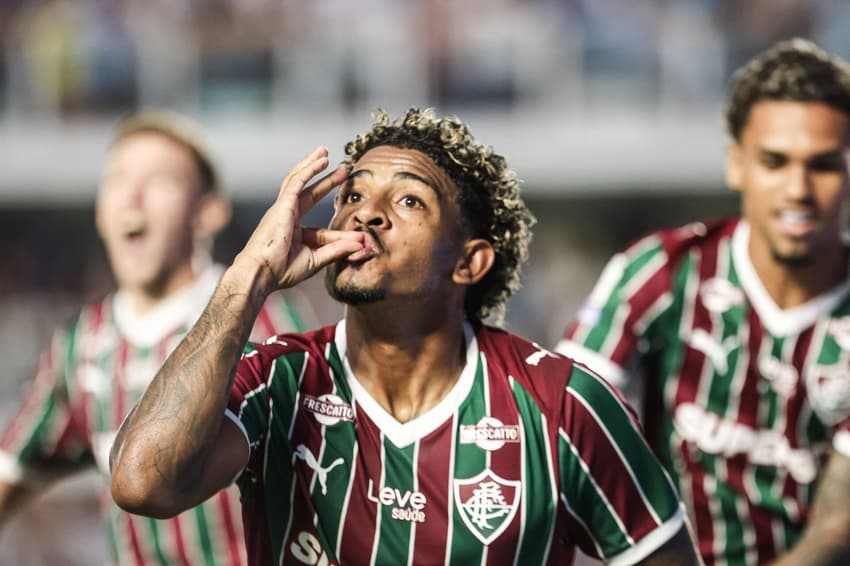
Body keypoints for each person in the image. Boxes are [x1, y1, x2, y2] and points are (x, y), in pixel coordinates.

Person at [109, 107, 700, 565]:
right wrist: (249, 276)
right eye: (354, 195)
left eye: (409, 199)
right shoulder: (279, 379)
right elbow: (142, 484)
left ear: (468, 263)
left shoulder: (562, 406)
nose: (366, 214)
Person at [555, 38, 850, 566]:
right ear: (736, 164)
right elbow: (561, 418)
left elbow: (838, 525)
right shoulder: (662, 272)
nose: (799, 188)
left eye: (823, 164)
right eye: (774, 161)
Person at [0, 110, 315, 564]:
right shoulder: (81, 345)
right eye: (116, 179)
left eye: (160, 180)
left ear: (208, 212)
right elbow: (15, 468)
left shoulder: (268, 319)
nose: (132, 196)